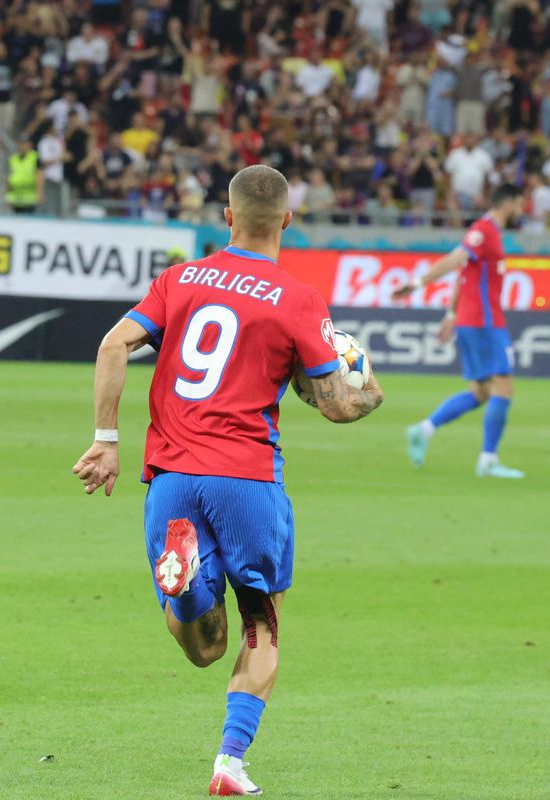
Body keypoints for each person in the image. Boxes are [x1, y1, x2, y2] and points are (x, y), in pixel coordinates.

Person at [70, 165, 383, 797]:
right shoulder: (298, 299)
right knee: (261, 625)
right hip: (246, 478)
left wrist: (106, 441)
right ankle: (229, 763)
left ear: (227, 217)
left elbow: (111, 346)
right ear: (287, 220)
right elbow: (337, 406)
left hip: (171, 476)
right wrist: (371, 392)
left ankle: (186, 589)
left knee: (202, 647)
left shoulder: (179, 279)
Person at [392, 183, 527, 479]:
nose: (522, 209)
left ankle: (423, 430)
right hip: (484, 321)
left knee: (480, 392)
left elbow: (464, 275)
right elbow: (456, 259)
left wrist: (452, 314)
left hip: (471, 319)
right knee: (503, 387)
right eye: (520, 203)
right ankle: (488, 460)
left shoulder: (488, 232)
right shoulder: (485, 230)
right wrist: (418, 284)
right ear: (508, 202)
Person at [6, 135, 42, 214]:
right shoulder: (13, 158)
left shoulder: (34, 157)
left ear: (30, 145)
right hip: (16, 197)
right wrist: (8, 195)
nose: (22, 146)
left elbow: (39, 175)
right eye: (21, 143)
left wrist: (39, 192)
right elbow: (10, 178)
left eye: (25, 143)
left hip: (30, 197)